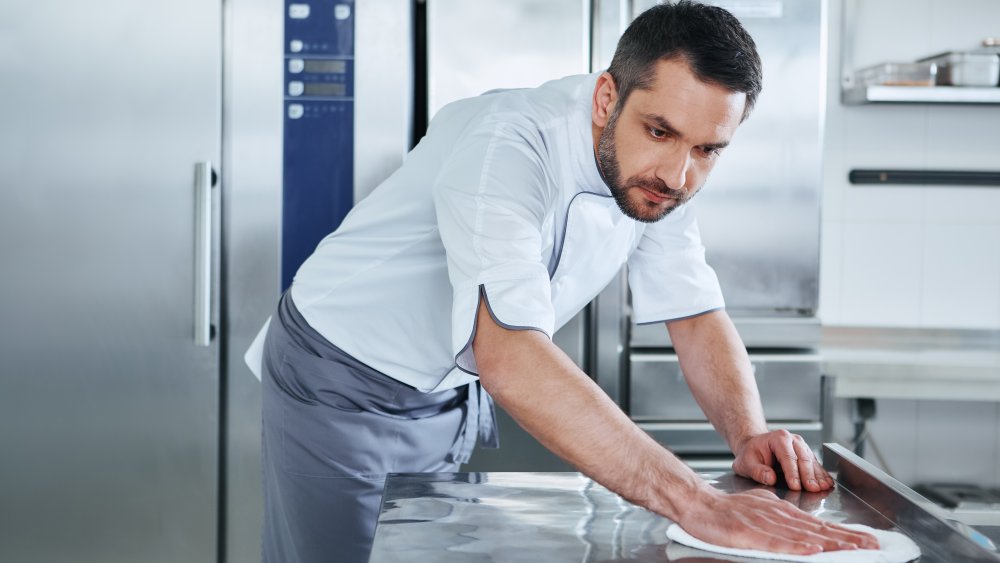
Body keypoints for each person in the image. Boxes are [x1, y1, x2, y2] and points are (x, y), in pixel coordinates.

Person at [246, 2, 880, 562]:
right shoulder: (508, 144)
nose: (679, 173)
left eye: (707, 149)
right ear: (607, 98)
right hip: (339, 380)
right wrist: (697, 502)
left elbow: (694, 310)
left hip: (448, 392)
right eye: (659, 131)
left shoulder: (663, 176)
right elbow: (509, 354)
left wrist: (748, 435)